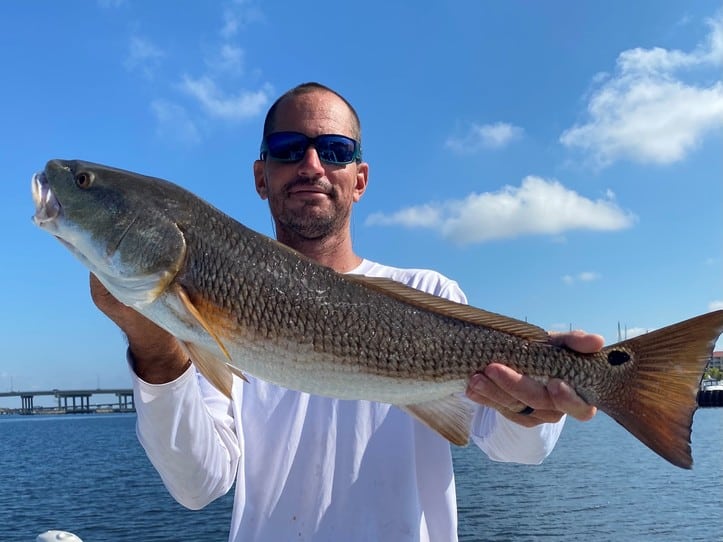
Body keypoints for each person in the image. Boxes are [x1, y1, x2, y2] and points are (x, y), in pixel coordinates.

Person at [90, 82, 603, 542]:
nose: (310, 165)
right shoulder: (200, 314)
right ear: (260, 176)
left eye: (334, 151)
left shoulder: (429, 291)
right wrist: (153, 345)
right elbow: (198, 484)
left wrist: (540, 401)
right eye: (289, 150)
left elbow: (519, 449)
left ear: (359, 179)